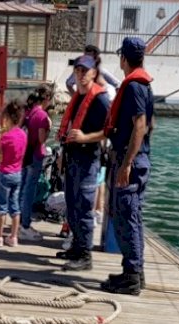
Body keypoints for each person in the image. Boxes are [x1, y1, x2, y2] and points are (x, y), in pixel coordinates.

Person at [101, 37, 154, 295]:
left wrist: (126, 163)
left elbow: (141, 124)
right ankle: (133, 271)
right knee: (131, 216)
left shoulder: (133, 87)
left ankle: (132, 276)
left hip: (130, 161)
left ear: (124, 58)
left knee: (126, 216)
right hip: (136, 158)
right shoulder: (143, 86)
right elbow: (150, 125)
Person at [55, 55, 110, 271]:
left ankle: (85, 255)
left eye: (85, 71)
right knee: (73, 204)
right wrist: (62, 153)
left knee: (85, 207)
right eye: (78, 70)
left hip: (88, 159)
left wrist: (85, 138)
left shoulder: (100, 100)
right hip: (72, 157)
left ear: (94, 73)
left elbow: (108, 131)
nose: (81, 74)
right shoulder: (78, 96)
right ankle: (77, 247)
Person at [0, 101, 27, 247]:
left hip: (4, 173)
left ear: (7, 117)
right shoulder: (23, 135)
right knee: (15, 207)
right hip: (17, 174)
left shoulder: (5, 137)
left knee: (2, 207)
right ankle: (14, 237)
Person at [18, 85, 53, 242]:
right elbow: (41, 139)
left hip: (25, 156)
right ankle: (25, 225)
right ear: (46, 99)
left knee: (22, 189)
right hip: (35, 157)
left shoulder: (28, 112)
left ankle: (17, 221)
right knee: (29, 192)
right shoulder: (42, 116)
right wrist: (49, 129)